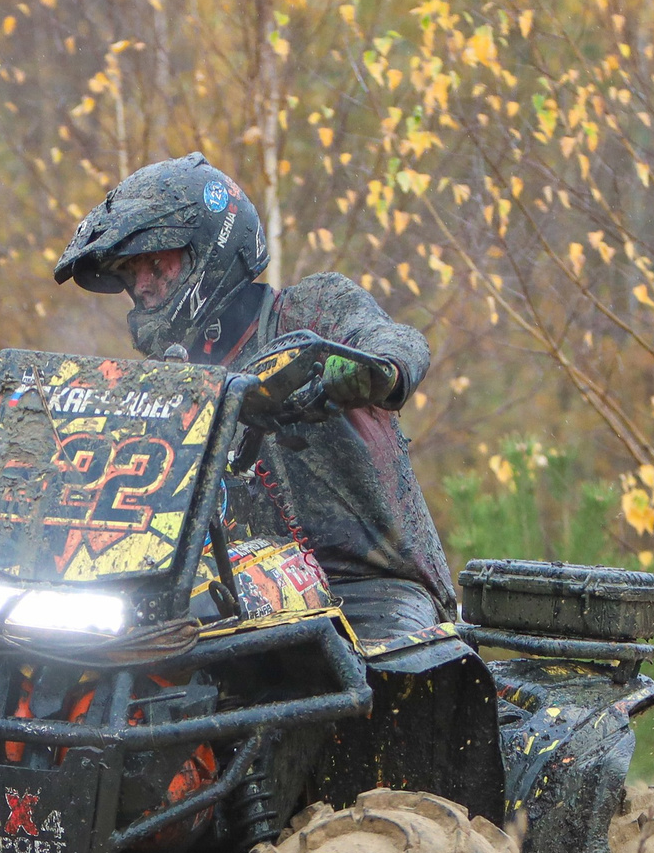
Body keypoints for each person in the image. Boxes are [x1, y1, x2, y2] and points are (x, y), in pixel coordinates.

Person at [53, 152, 456, 645]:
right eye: (128, 274)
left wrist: (374, 369)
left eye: (154, 263)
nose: (142, 287)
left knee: (385, 687)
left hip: (372, 591)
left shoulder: (310, 310)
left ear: (210, 249)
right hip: (247, 594)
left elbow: (396, 340)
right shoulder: (168, 386)